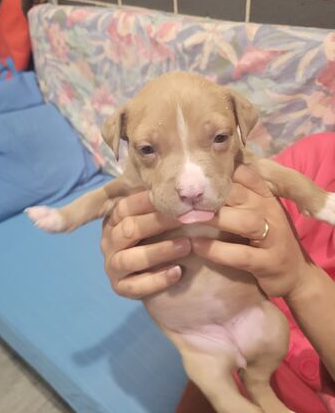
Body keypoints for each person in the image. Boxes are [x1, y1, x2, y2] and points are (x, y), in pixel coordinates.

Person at [100, 132, 335, 413]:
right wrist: (136, 248)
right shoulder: (318, 158)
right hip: (222, 367)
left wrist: (301, 281)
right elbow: (237, 222)